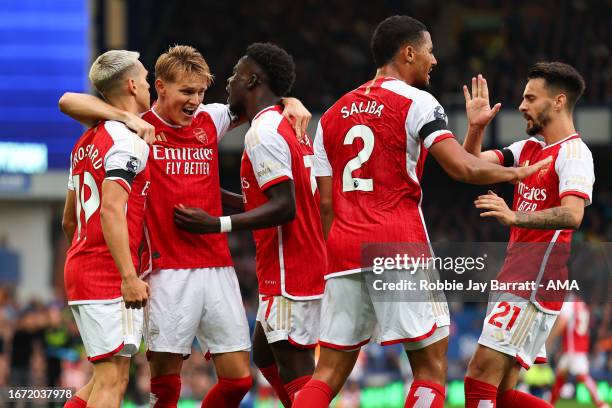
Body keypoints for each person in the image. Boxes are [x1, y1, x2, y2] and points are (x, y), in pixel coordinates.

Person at [293, 15, 550, 408]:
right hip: (398, 242)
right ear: (408, 52)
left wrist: (342, 246)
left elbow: (324, 202)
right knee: (430, 370)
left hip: (342, 249)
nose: (434, 60)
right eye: (429, 52)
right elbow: (462, 168)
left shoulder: (330, 115)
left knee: (327, 373)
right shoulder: (417, 102)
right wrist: (516, 171)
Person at [59, 45, 312, 408]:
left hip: (217, 268)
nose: (195, 101)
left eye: (200, 92)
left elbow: (258, 99)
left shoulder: (211, 119)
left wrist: (290, 100)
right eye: (186, 92)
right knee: (161, 386)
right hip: (166, 272)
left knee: (239, 380)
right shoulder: (140, 128)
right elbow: (69, 101)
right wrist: (127, 117)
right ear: (159, 87)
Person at [174, 43, 326, 407]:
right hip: (298, 261)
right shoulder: (286, 124)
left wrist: (217, 224)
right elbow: (277, 201)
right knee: (264, 354)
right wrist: (218, 196)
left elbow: (284, 207)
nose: (227, 83)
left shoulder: (263, 133)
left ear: (252, 80)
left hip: (291, 269)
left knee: (297, 368)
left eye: (234, 75)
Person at [462, 62, 595, 408]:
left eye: (530, 98)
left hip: (534, 283)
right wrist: (475, 129)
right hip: (516, 278)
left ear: (558, 102)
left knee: (477, 377)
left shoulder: (575, 153)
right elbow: (471, 164)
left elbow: (573, 215)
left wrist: (514, 215)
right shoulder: (527, 149)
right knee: (501, 394)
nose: (521, 105)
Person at [61, 50, 151, 408]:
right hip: (108, 272)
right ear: (131, 85)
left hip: (83, 266)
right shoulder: (127, 141)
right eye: (145, 80)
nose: (148, 87)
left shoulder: (86, 142)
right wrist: (127, 275)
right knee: (113, 381)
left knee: (106, 377)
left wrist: (87, 255)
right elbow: (112, 210)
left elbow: (69, 220)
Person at [547, 294, 609, 407]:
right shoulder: (581, 304)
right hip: (578, 345)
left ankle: (601, 404)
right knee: (561, 375)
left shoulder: (569, 304)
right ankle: (550, 404)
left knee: (583, 376)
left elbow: (562, 323)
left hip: (573, 348)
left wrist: (550, 338)